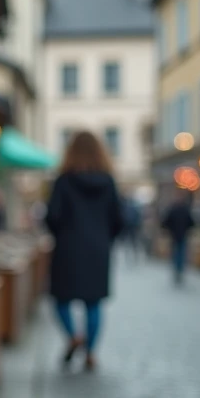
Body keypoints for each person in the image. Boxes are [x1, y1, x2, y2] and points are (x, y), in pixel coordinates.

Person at [45, 131, 123, 371]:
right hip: (98, 249)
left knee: (60, 300)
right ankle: (90, 351)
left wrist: (63, 235)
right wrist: (104, 239)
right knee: (94, 304)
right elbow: (119, 219)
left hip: (68, 248)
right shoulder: (108, 181)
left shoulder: (64, 180)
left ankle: (73, 336)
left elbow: (52, 217)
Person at [161, 189, 196, 286]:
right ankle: (178, 270)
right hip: (177, 235)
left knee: (179, 253)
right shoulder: (178, 209)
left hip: (179, 234)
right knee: (178, 253)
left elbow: (190, 222)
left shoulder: (178, 209)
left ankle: (178, 270)